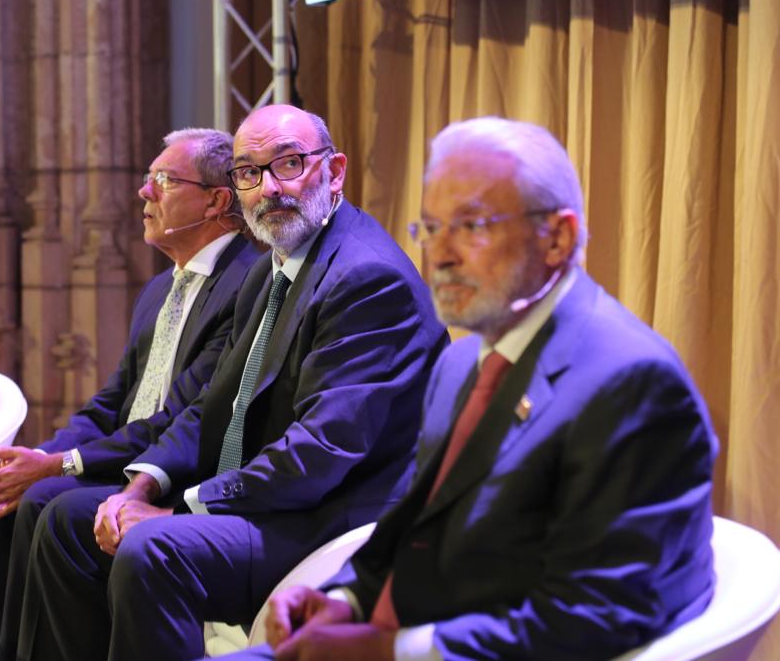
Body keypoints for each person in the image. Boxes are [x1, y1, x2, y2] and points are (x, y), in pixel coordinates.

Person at [227, 117, 718, 661]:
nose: (441, 256)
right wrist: (342, 600)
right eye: (432, 229)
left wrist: (391, 651)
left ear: (557, 238)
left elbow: (598, 616)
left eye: (473, 225)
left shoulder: (633, 380)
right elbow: (413, 527)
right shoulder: (461, 364)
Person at [0, 104, 448, 661]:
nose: (268, 188)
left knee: (154, 548)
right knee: (69, 518)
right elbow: (216, 404)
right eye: (248, 172)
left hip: (336, 518)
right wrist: (142, 485)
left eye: (287, 164)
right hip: (280, 501)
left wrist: (184, 507)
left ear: (334, 173)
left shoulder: (366, 278)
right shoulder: (272, 267)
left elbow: (321, 452)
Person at [0, 128, 261, 660]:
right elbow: (112, 403)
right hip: (123, 453)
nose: (144, 193)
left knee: (47, 500)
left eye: (163, 180)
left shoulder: (244, 282)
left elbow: (183, 417)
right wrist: (41, 456)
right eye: (147, 179)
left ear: (216, 200)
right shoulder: (161, 287)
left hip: (176, 467)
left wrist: (59, 467)